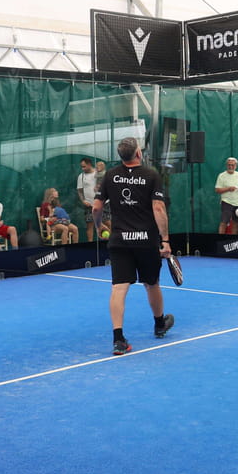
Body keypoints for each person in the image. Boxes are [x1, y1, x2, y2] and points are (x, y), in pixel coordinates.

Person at [92, 136, 173, 356]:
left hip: (119, 241)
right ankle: (159, 324)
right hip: (146, 241)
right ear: (138, 153)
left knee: (119, 287)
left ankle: (118, 339)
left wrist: (99, 227)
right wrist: (165, 240)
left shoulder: (110, 175)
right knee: (152, 283)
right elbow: (158, 208)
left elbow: (96, 207)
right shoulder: (151, 175)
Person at [214, 157, 238, 234]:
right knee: (224, 222)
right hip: (226, 202)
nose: (230, 167)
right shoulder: (221, 176)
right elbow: (217, 190)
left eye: (232, 165)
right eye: (229, 165)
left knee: (235, 223)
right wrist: (228, 189)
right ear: (226, 165)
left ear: (236, 166)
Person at [76, 157, 98, 241]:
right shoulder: (81, 176)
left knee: (107, 223)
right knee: (90, 226)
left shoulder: (99, 173)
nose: (82, 168)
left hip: (103, 204)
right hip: (89, 205)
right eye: (81, 166)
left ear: (89, 165)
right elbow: (80, 191)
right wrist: (83, 201)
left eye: (84, 166)